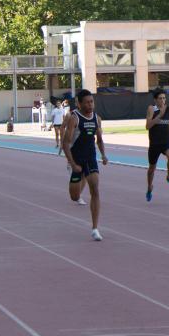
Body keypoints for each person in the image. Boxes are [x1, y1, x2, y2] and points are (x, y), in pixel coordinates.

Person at [62, 89, 109, 241]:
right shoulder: (74, 118)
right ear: (80, 104)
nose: (90, 105)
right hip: (77, 161)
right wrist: (72, 163)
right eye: (87, 102)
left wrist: (103, 155)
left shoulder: (96, 118)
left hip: (90, 158)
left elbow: (99, 140)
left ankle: (95, 228)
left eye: (92, 102)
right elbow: (65, 143)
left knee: (95, 189)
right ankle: (80, 175)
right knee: (74, 196)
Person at [145, 89, 169, 202]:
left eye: (164, 98)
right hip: (154, 144)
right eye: (160, 98)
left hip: (166, 141)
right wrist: (160, 115)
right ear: (155, 100)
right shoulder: (151, 109)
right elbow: (147, 126)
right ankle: (149, 187)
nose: (163, 100)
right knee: (151, 169)